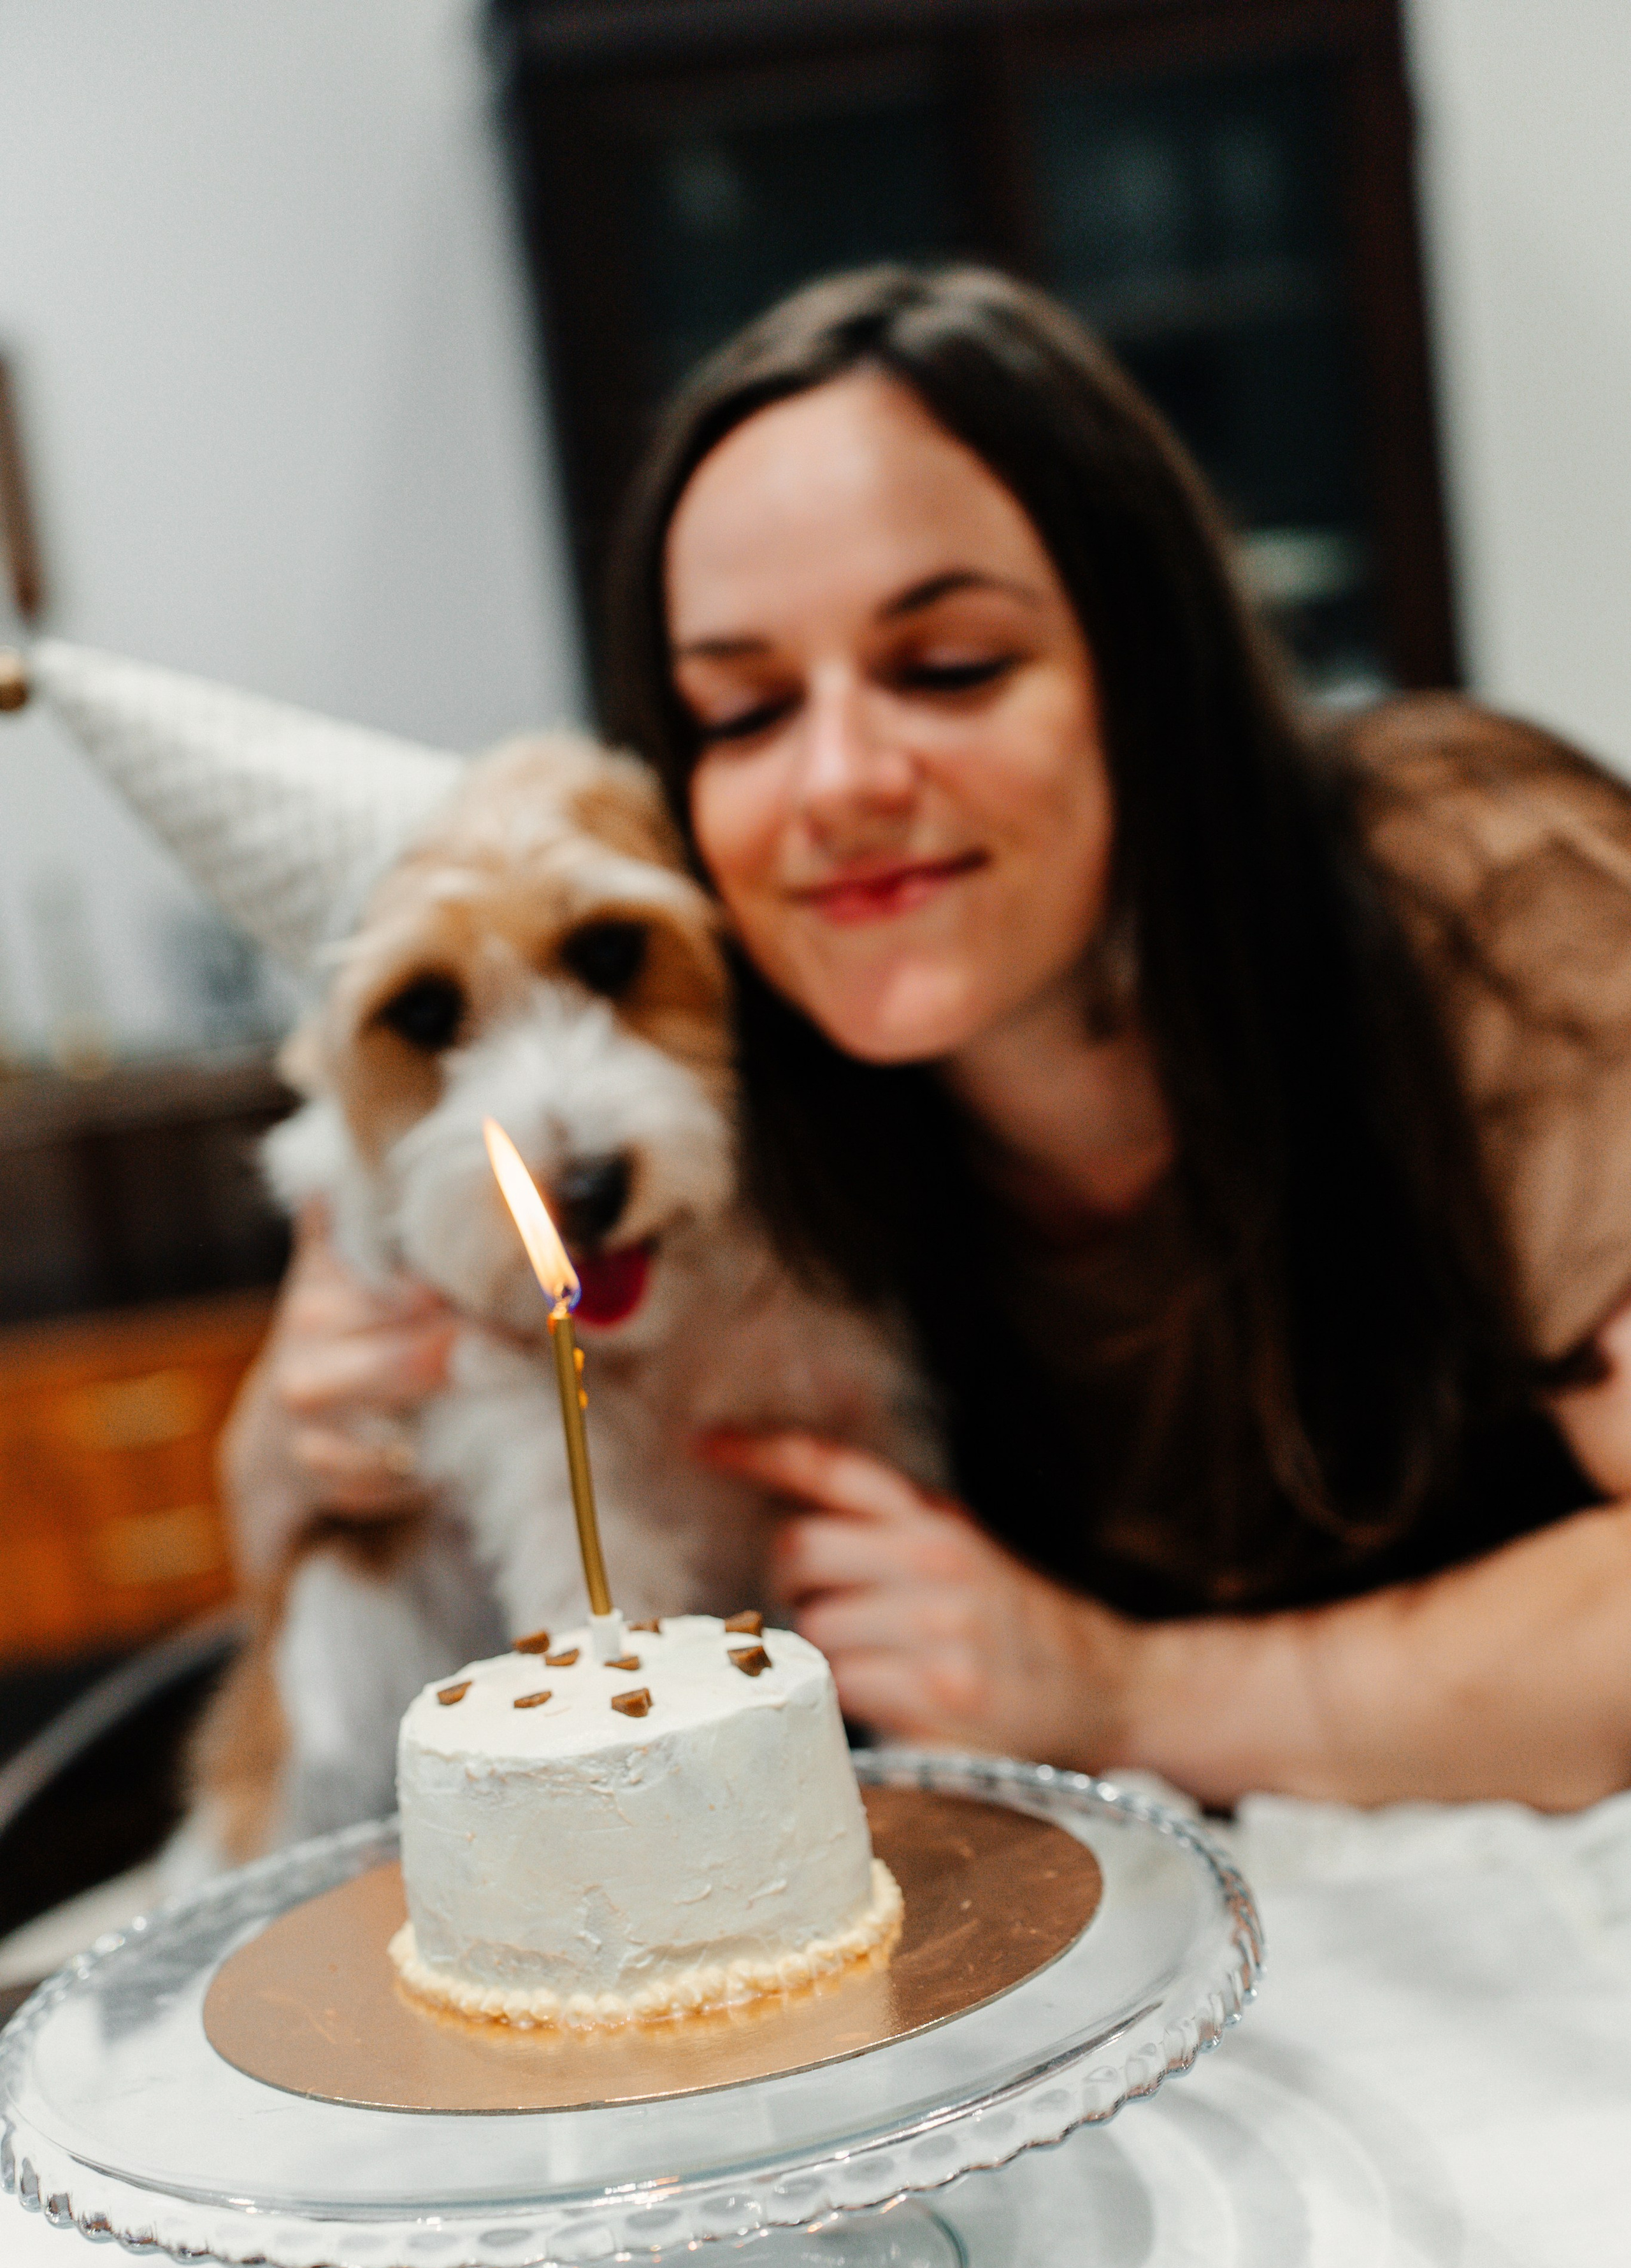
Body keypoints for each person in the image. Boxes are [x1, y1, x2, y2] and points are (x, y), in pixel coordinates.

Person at [222, 265, 1631, 1810]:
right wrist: (309, 1432)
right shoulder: (744, 1057)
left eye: (949, 667)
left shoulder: (1474, 885)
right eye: (743, 713)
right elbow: (353, 1503)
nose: (836, 782)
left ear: (1145, 666)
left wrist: (1123, 1690)